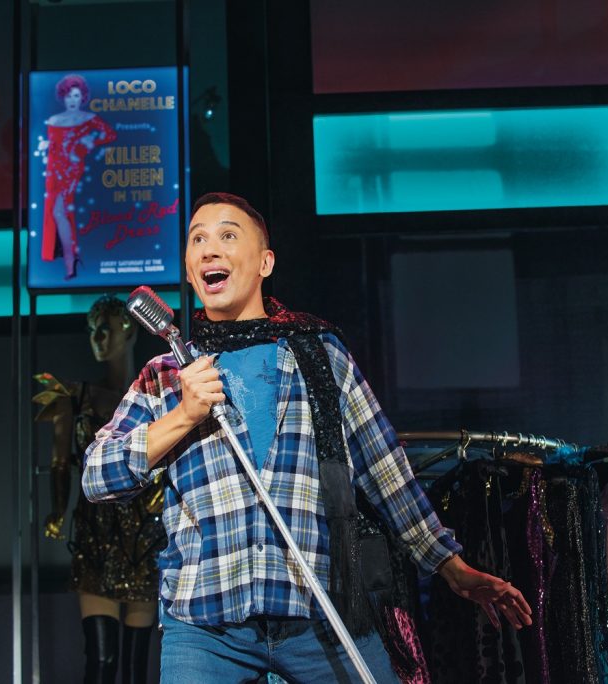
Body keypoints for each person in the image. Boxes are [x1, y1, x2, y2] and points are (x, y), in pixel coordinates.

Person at [82, 192, 532, 682]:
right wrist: (184, 415)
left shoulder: (320, 355)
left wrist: (451, 566)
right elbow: (96, 477)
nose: (210, 249)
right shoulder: (165, 375)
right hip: (206, 627)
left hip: (320, 614)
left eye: (228, 235)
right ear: (190, 273)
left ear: (264, 262)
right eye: (198, 240)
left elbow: (385, 470)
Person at [34, 296, 165, 683]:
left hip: (143, 534)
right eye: (92, 330)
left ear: (128, 327)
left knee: (135, 666)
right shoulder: (70, 396)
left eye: (104, 327)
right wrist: (58, 508)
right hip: (95, 533)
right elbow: (61, 461)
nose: (97, 337)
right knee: (102, 660)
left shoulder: (157, 395)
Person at [38, 74, 117, 280]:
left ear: (82, 97)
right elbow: (53, 143)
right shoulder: (54, 120)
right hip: (53, 171)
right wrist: (45, 146)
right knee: (55, 213)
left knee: (60, 213)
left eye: (76, 96)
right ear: (63, 97)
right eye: (68, 96)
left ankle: (70, 260)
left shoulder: (88, 118)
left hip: (72, 170)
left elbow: (109, 134)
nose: (72, 100)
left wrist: (88, 143)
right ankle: (70, 260)